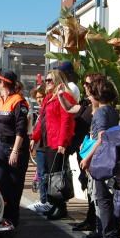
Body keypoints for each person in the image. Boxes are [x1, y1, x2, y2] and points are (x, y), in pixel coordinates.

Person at [79, 74, 120, 238]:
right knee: (106, 198)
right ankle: (106, 233)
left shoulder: (101, 113)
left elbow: (102, 136)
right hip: (109, 158)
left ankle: (108, 236)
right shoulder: (112, 111)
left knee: (102, 198)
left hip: (100, 159)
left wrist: (87, 158)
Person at [30, 70, 76, 220]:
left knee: (57, 176)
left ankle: (60, 207)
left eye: (50, 80)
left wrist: (62, 142)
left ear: (57, 81)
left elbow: (66, 121)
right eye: (46, 80)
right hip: (47, 141)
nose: (47, 83)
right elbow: (41, 119)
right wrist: (34, 137)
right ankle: (55, 204)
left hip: (57, 141)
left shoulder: (64, 97)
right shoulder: (48, 98)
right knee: (50, 175)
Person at [0, 70, 29, 228]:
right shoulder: (0, 100)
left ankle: (13, 220)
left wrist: (15, 151)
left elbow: (21, 129)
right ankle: (2, 217)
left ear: (4, 83)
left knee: (14, 186)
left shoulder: (19, 101)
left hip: (14, 147)